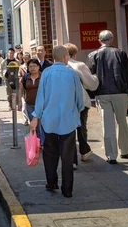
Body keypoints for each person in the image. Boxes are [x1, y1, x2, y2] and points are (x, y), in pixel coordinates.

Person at [30, 46, 84, 198]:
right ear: (66, 56)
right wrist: (79, 109)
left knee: (50, 153)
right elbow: (79, 97)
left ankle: (51, 181)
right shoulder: (72, 73)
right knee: (67, 156)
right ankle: (67, 189)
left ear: (53, 57)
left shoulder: (46, 73)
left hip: (49, 120)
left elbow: (41, 97)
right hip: (68, 120)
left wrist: (35, 117)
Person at [87, 30, 128, 164]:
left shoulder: (93, 55)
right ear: (111, 39)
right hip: (120, 92)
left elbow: (90, 76)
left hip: (102, 93)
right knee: (122, 122)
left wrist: (92, 94)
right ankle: (125, 150)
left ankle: (111, 155)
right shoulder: (121, 53)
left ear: (99, 40)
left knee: (107, 125)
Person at [64, 43, 99, 165]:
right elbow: (91, 84)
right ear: (74, 54)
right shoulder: (79, 65)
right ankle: (84, 151)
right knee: (81, 126)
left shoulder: (58, 67)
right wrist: (95, 77)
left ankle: (72, 158)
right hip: (81, 100)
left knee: (69, 129)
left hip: (65, 101)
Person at [21, 59, 43, 142]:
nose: (32, 68)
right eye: (30, 66)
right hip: (29, 104)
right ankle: (37, 142)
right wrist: (19, 101)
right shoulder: (26, 77)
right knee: (34, 124)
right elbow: (21, 88)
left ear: (38, 67)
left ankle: (42, 142)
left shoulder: (43, 76)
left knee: (41, 124)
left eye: (34, 66)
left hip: (41, 105)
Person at [18, 52, 32, 124]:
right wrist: (21, 79)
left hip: (31, 87)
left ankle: (30, 118)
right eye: (24, 58)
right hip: (24, 87)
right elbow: (19, 76)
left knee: (30, 103)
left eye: (27, 58)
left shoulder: (32, 66)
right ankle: (26, 119)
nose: (26, 60)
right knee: (24, 103)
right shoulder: (21, 67)